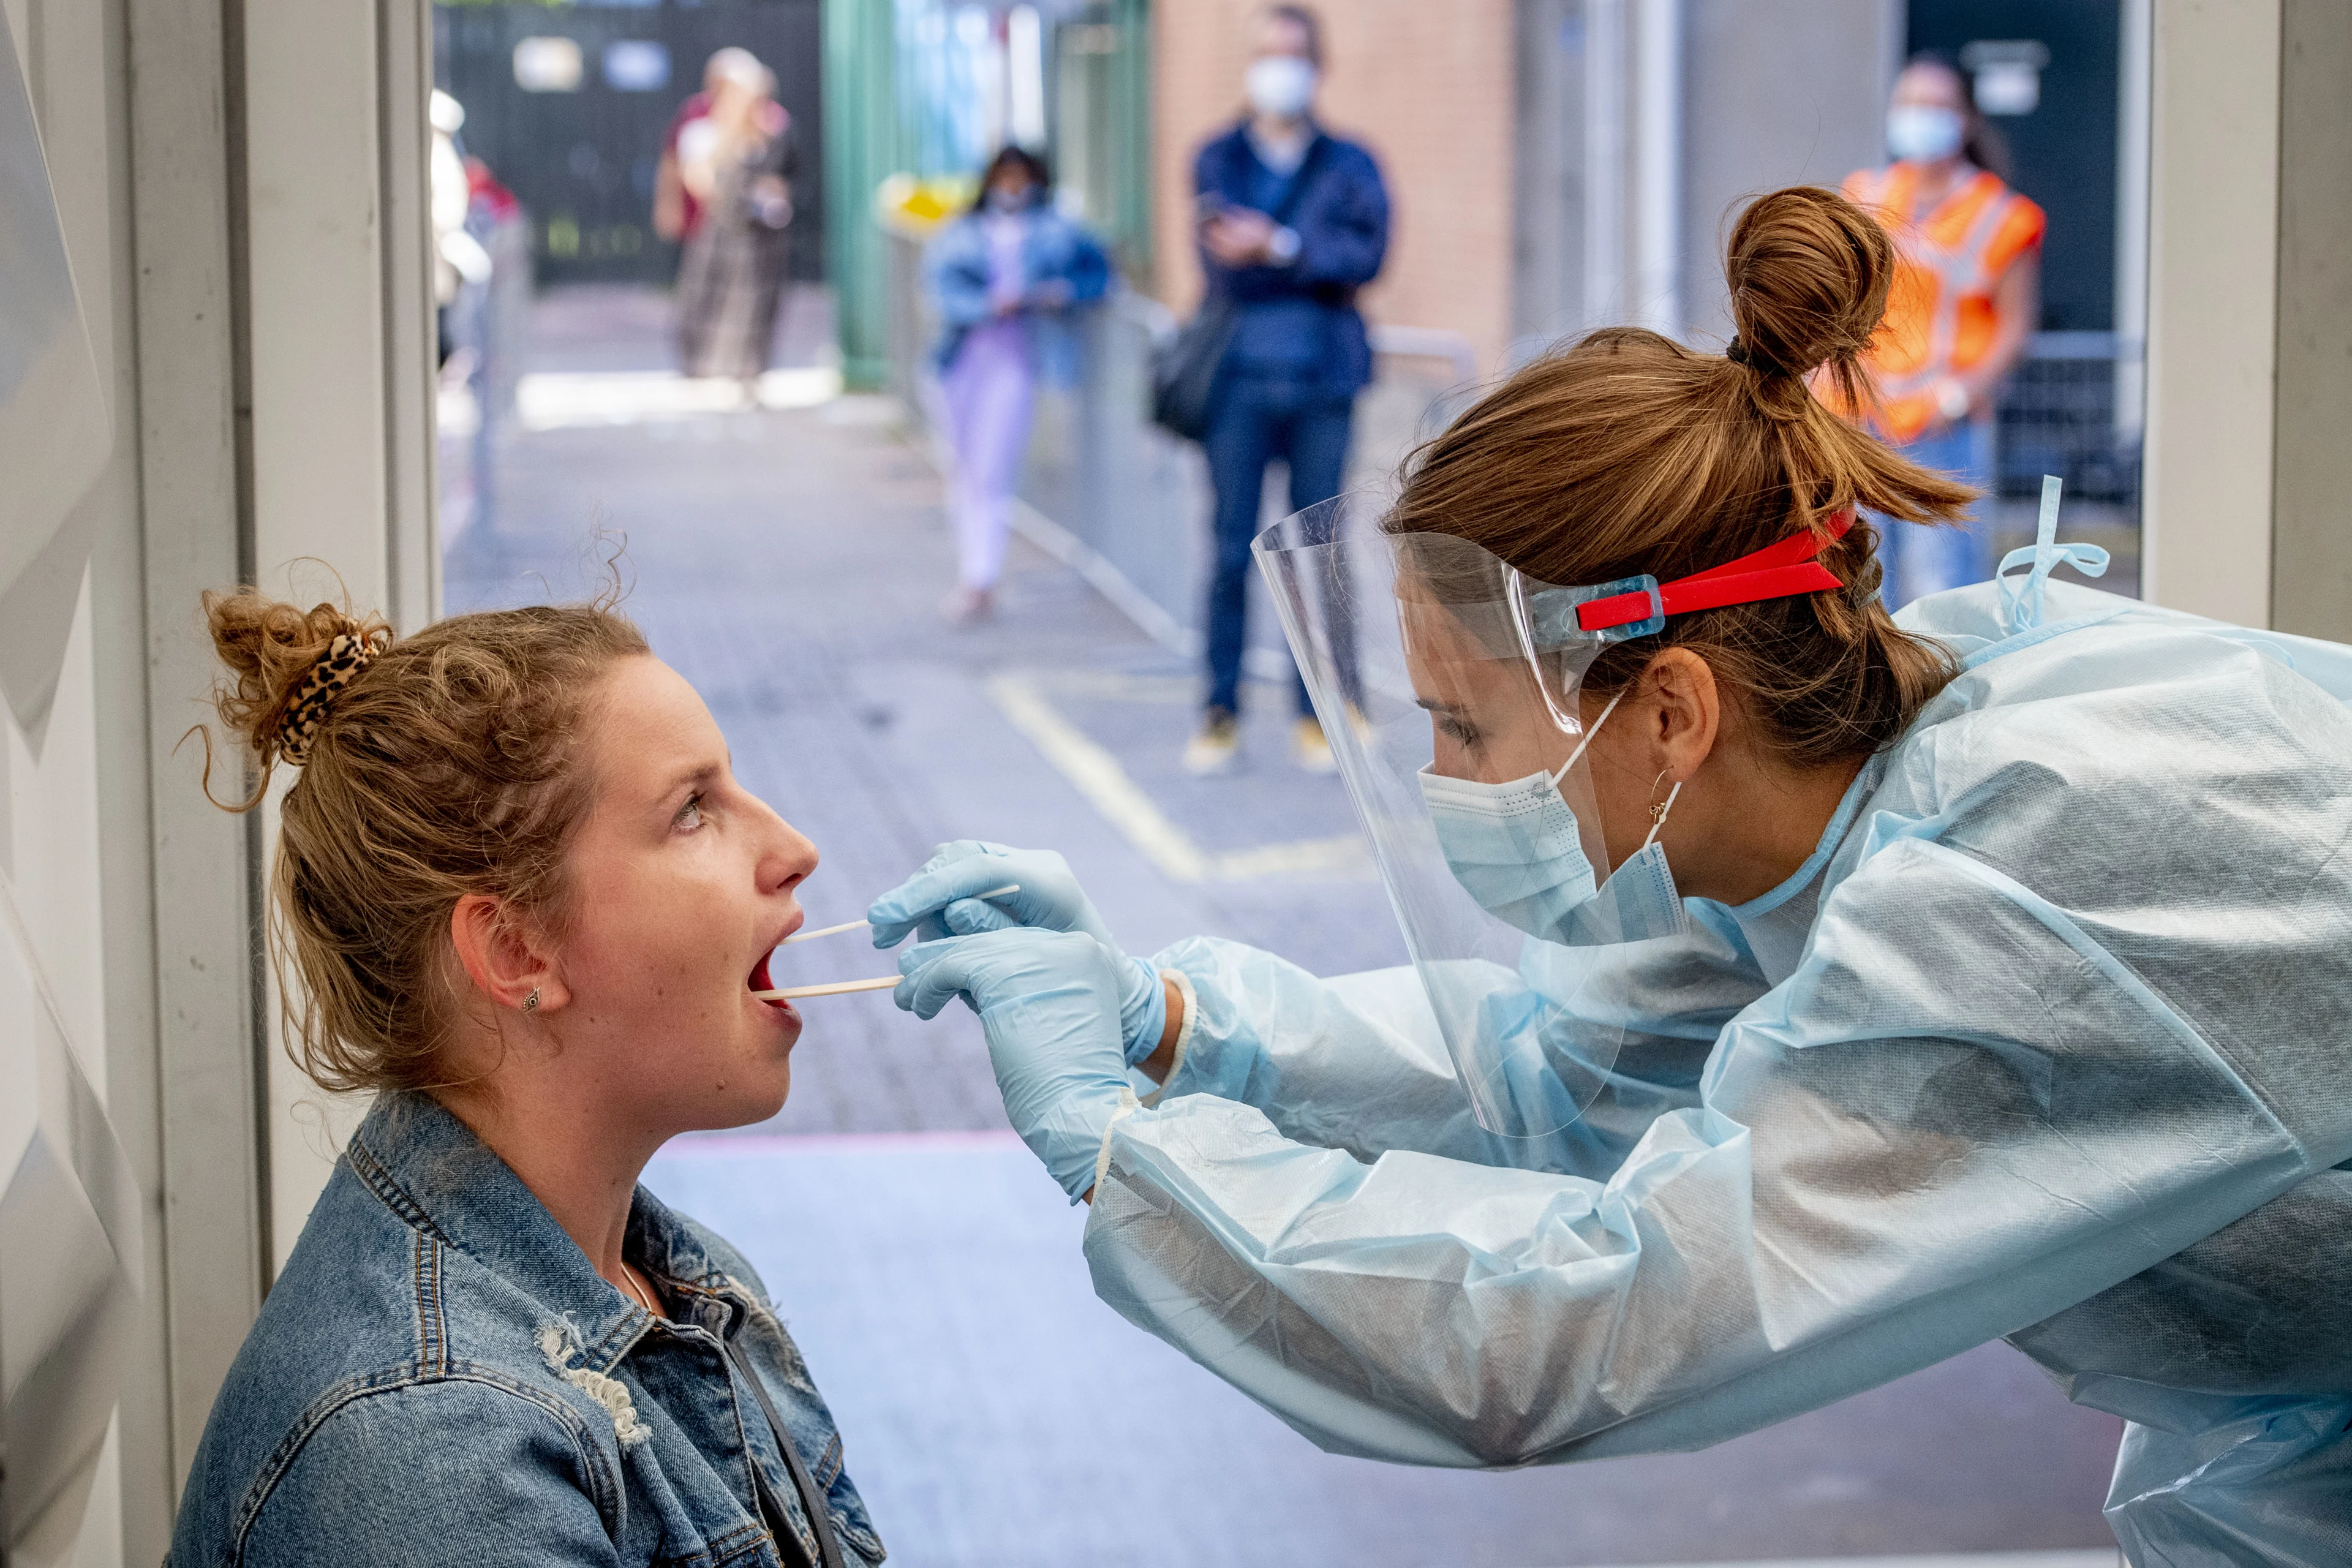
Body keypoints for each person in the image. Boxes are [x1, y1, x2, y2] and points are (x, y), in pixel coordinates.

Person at [865, 187, 2352, 1566]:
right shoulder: (1807, 822)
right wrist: (1177, 1023)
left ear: (1668, 712)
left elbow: (1590, 1320)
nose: (1445, 776)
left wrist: (1122, 1151)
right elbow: (1557, 1085)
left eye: (1462, 724)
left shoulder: (2040, 875)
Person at [170, 588, 884, 1566]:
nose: (794, 850)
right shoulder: (437, 1453)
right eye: (691, 812)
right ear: (516, 951)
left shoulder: (669, 1280)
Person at [1185, 2, 1389, 775]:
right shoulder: (1218, 159)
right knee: (1231, 549)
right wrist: (1305, 258)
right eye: (1268, 51)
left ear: (1316, 63)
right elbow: (1219, 264)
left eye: (1293, 52)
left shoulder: (1350, 162)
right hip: (1237, 384)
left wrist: (1279, 244)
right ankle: (1218, 708)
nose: (1280, 66)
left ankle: (1330, 709)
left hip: (1323, 382)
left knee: (1322, 552)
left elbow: (1366, 254)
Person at [1838, 53, 2044, 608]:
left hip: (1943, 425)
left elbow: (2015, 324)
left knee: (1943, 587)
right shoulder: (1862, 197)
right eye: (1909, 103)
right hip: (1863, 417)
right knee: (1861, 577)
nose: (1920, 116)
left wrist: (1961, 394)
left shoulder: (2002, 215)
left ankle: (1943, 693)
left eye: (1935, 105)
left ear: (1966, 118)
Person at [922, 146, 1111, 623]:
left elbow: (1099, 272)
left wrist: (1060, 293)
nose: (1011, 186)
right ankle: (973, 569)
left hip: (1017, 361)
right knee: (963, 471)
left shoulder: (1055, 230)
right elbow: (940, 290)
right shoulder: (962, 232)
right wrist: (987, 304)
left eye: (1018, 176)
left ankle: (980, 576)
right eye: (1003, 177)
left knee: (990, 471)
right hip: (960, 363)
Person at [674, 50, 795, 385]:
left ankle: (749, 369)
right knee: (706, 302)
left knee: (756, 305)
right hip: (723, 229)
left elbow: (787, 176)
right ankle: (700, 367)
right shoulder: (704, 129)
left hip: (760, 235)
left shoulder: (774, 130)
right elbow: (698, 181)